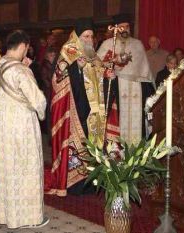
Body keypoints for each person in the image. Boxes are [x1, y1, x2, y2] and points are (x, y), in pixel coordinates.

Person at [46, 18, 116, 196]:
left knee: (91, 143)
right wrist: (76, 68)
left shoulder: (91, 53)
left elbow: (99, 74)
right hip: (73, 108)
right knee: (75, 146)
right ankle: (73, 184)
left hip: (91, 108)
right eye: (85, 36)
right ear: (77, 36)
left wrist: (108, 75)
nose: (89, 40)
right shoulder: (67, 51)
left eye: (91, 36)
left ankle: (91, 180)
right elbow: (57, 79)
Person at [0, 30, 48, 229]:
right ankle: (30, 218)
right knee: (26, 169)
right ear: (23, 46)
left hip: (3, 127)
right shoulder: (22, 71)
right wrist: (29, 74)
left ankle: (7, 215)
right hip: (22, 128)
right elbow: (38, 101)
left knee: (8, 169)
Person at [97, 13, 154, 144]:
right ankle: (118, 151)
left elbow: (143, 69)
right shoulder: (107, 44)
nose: (125, 29)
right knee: (118, 120)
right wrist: (109, 69)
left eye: (127, 26)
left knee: (137, 120)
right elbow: (97, 65)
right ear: (116, 29)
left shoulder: (138, 44)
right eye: (121, 27)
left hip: (137, 89)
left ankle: (137, 150)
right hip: (116, 88)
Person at [40, 47, 57, 135]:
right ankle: (49, 133)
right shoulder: (45, 65)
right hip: (48, 92)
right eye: (51, 55)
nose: (53, 57)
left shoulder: (54, 65)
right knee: (49, 113)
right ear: (47, 56)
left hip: (52, 91)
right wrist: (53, 86)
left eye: (54, 55)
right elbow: (45, 79)